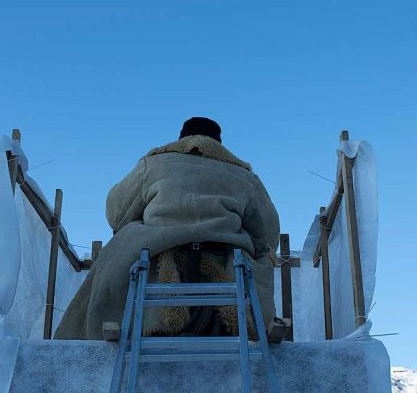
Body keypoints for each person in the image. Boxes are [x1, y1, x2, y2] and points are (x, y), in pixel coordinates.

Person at [54, 117, 280, 339]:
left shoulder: (154, 164)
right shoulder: (244, 177)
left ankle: (120, 324)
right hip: (225, 276)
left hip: (155, 273)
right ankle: (247, 324)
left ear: (182, 138)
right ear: (219, 144)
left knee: (125, 240)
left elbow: (116, 213)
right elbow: (268, 234)